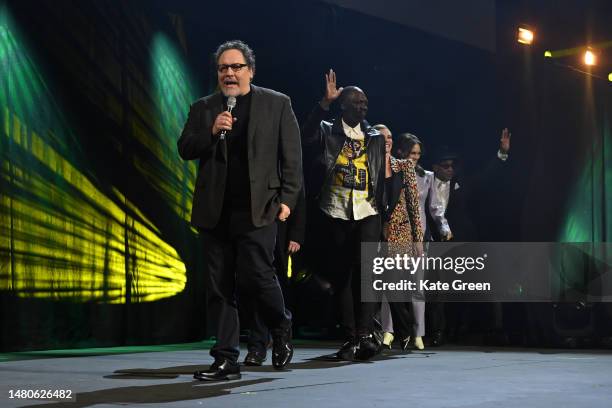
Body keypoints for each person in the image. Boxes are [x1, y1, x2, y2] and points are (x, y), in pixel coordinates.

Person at [177, 40, 302, 380]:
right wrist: (212, 130)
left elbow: (292, 159)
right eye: (223, 68)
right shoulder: (203, 108)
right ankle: (225, 358)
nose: (229, 73)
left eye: (236, 67)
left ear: (251, 70)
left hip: (260, 208)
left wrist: (288, 201)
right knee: (219, 287)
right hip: (215, 211)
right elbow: (185, 147)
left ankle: (281, 324)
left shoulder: (277, 104)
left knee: (258, 278)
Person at [302, 70, 385, 360]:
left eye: (365, 103)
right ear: (343, 105)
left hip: (368, 210)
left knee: (367, 272)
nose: (363, 107)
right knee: (343, 276)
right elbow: (307, 135)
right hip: (335, 209)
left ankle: (365, 335)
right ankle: (350, 337)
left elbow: (380, 176)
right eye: (357, 103)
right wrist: (323, 103)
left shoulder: (373, 136)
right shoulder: (327, 129)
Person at [375, 127, 430, 350]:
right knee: (382, 286)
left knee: (407, 285)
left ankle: (412, 331)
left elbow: (415, 208)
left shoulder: (407, 169)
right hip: (374, 231)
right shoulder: (370, 164)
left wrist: (418, 238)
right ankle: (387, 331)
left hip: (402, 234)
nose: (415, 157)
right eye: (411, 153)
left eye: (388, 137)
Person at [243, 188, 306, 366]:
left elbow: (298, 194)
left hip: (281, 231)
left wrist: (296, 234)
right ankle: (257, 346)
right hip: (254, 226)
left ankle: (279, 334)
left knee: (275, 287)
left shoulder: (288, 162)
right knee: (256, 285)